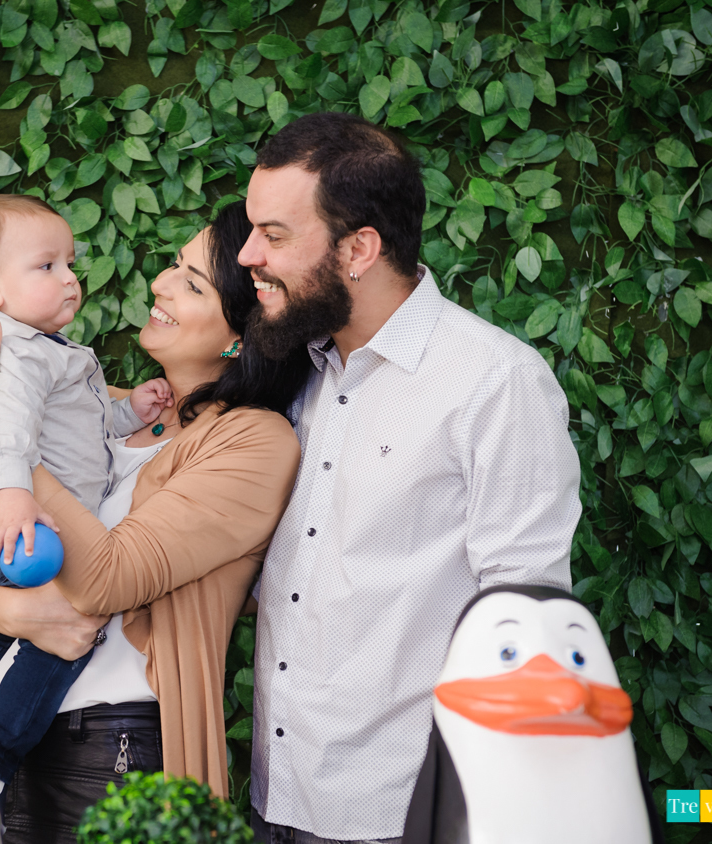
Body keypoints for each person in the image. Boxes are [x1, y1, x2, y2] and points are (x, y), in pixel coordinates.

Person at [0, 201, 312, 843]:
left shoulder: (251, 443)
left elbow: (109, 579)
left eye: (192, 282)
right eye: (173, 266)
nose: (159, 283)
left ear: (240, 334)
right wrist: (20, 616)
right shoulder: (98, 408)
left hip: (108, 749)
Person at [242, 113, 582, 843]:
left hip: (399, 810)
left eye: (273, 235)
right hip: (274, 792)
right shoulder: (298, 371)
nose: (247, 255)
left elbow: (523, 620)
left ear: (358, 247)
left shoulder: (493, 382)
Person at [0, 193, 173, 794]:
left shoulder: (54, 353)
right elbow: (9, 430)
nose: (70, 280)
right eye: (46, 267)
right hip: (6, 506)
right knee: (68, 632)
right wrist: (16, 495)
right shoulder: (20, 354)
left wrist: (130, 414)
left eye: (70, 263)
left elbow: (84, 434)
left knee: (4, 629)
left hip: (14, 504)